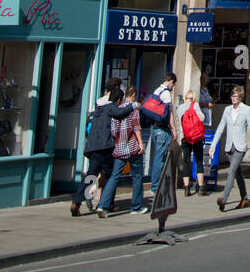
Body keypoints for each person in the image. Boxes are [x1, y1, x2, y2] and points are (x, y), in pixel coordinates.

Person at [70, 79, 134, 217]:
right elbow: (120, 113)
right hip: (105, 146)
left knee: (91, 175)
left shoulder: (98, 104)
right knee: (112, 176)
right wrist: (133, 105)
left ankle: (77, 201)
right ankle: (106, 204)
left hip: (93, 145)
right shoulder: (110, 105)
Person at [97, 85, 148, 216]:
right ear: (134, 95)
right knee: (137, 177)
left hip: (119, 148)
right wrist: (141, 144)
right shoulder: (133, 108)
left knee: (114, 176)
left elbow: (113, 131)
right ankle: (135, 207)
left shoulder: (116, 109)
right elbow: (136, 127)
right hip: (133, 148)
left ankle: (102, 205)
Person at [212, 86, 250, 211]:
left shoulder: (247, 110)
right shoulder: (227, 110)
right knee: (237, 173)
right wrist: (213, 146)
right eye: (232, 96)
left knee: (231, 171)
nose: (233, 99)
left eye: (236, 97)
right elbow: (221, 127)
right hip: (229, 146)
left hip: (240, 146)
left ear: (240, 98)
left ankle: (224, 199)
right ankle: (244, 198)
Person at [145, 72, 178, 197]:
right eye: (173, 84)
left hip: (154, 128)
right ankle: (156, 186)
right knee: (160, 158)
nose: (172, 87)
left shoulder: (156, 91)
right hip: (162, 130)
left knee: (157, 157)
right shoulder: (166, 94)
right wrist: (174, 129)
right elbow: (169, 114)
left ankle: (156, 184)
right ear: (170, 81)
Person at [179, 90, 208, 196]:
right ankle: (200, 188)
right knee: (199, 161)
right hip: (196, 137)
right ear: (193, 98)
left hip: (185, 138)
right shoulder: (195, 105)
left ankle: (186, 188)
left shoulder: (180, 108)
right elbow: (202, 118)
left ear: (185, 98)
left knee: (186, 161)